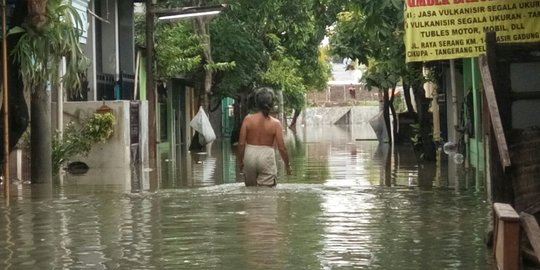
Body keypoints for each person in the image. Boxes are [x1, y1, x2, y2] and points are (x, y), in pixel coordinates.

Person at [237, 88, 292, 187]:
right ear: (271, 104)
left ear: (256, 103)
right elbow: (282, 148)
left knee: (250, 191)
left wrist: (240, 162)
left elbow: (241, 144)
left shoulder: (248, 119)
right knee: (268, 194)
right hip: (266, 157)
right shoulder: (276, 124)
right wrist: (287, 166)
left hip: (249, 156)